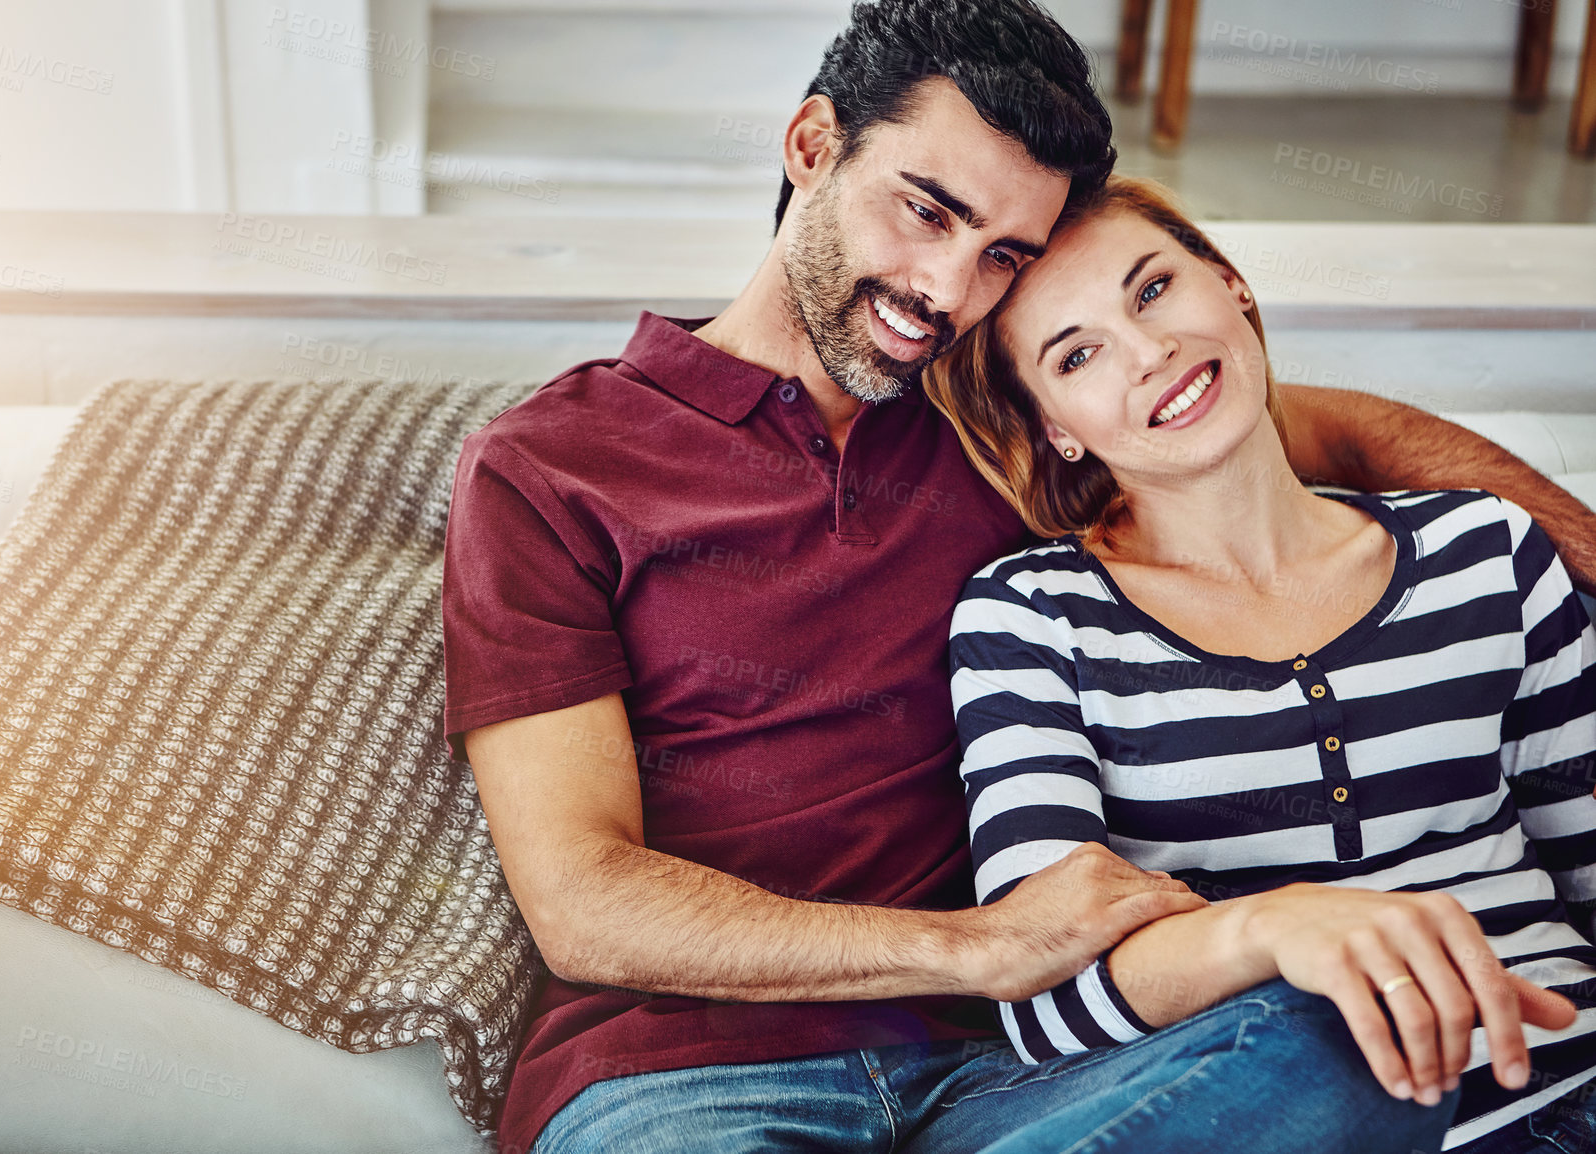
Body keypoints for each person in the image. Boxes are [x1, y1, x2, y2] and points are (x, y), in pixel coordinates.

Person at [440, 2, 1596, 1150]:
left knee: (1334, 1037)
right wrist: (969, 944)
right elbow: (582, 901)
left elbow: (1313, 426)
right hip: (685, 1076)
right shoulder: (552, 467)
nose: (944, 290)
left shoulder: (1002, 421)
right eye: (926, 211)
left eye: (1002, 254)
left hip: (1013, 1080)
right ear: (810, 147)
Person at [933, 174, 1596, 1153]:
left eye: (1153, 288)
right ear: (1056, 426)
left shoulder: (1488, 548)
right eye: (1078, 354)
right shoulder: (1033, 617)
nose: (1149, 350)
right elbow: (1045, 994)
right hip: (1315, 1118)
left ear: (1232, 283)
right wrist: (1271, 926)